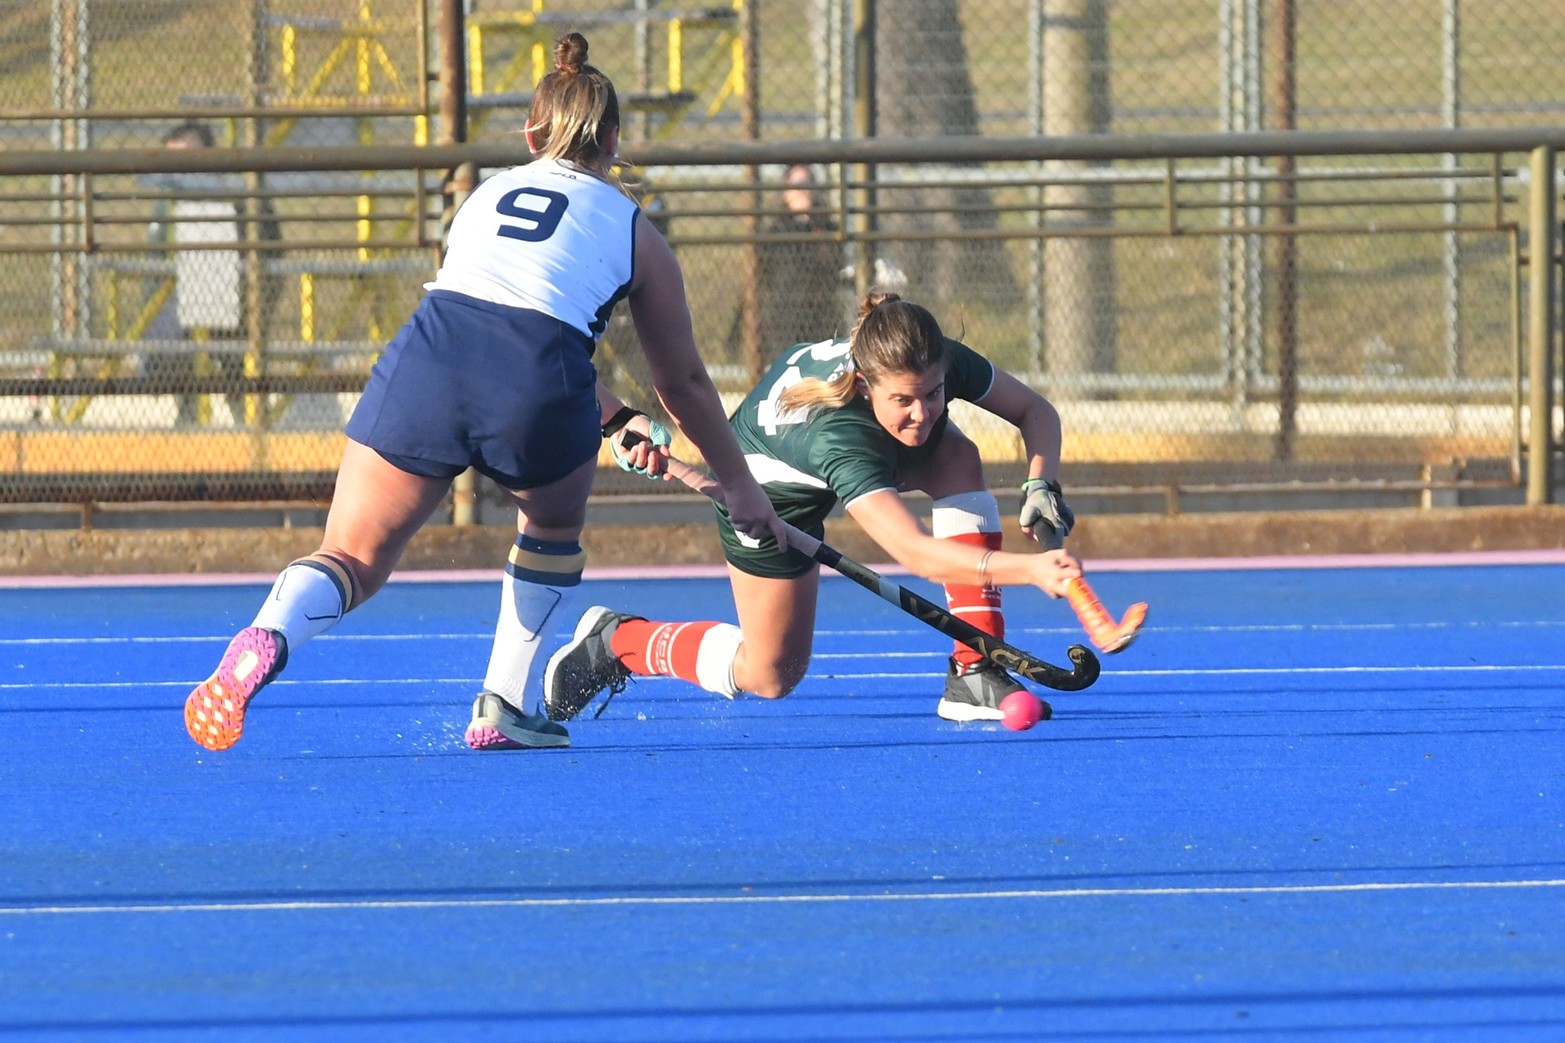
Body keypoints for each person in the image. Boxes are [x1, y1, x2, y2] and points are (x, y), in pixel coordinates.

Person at [183, 33, 786, 753]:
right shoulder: (635, 230)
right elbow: (678, 379)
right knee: (550, 530)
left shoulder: (482, 195)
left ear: (530, 134)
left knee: (349, 553)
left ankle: (271, 632)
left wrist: (615, 416)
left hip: (427, 357)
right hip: (537, 382)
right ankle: (503, 703)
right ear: (616, 141)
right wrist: (740, 485)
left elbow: (492, 317)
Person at [542, 291, 1083, 725]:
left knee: (955, 452)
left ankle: (976, 670)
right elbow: (915, 553)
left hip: (845, 437)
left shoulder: (925, 357)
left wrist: (1041, 484)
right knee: (771, 675)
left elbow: (1034, 410)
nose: (922, 412)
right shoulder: (840, 439)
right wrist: (1029, 569)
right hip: (765, 487)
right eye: (903, 401)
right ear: (867, 383)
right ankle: (619, 641)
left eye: (934, 394)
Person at [756, 163, 846, 350]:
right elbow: (765, 275)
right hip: (785, 316)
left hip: (822, 317)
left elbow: (835, 268)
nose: (803, 190)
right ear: (785, 192)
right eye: (797, 184)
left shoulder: (828, 228)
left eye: (808, 183)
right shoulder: (775, 232)